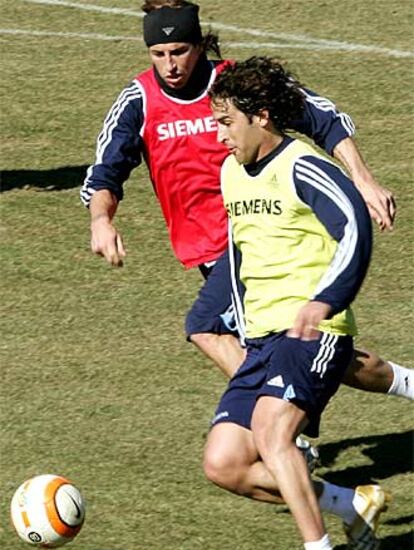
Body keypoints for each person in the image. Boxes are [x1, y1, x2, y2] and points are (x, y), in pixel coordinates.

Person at [80, 0, 412, 402]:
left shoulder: (237, 86)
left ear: (200, 45)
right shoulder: (139, 100)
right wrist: (101, 219)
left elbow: (321, 117)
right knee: (311, 347)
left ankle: (275, 430)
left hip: (261, 234)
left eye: (179, 51)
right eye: (158, 54)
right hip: (205, 246)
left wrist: (363, 179)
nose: (170, 65)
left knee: (209, 327)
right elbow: (105, 172)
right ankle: (404, 383)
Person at [205, 56, 391, 550]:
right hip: (262, 337)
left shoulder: (305, 166)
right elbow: (242, 253)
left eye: (226, 122)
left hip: (315, 331)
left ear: (261, 117)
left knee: (272, 433)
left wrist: (324, 300)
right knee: (225, 464)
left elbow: (355, 227)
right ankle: (349, 504)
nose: (219, 137)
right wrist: (227, 319)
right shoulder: (231, 171)